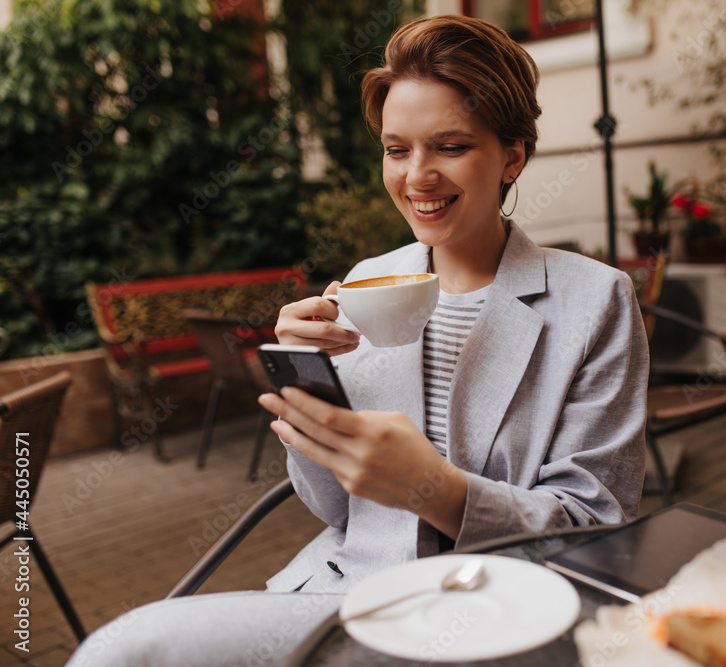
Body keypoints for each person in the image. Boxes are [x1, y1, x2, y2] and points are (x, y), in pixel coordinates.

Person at [67, 14, 648, 666]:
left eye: (450, 146)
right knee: (122, 649)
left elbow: (598, 528)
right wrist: (302, 390)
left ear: (513, 154)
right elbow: (333, 507)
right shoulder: (369, 284)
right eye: (398, 149)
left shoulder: (593, 300)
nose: (417, 176)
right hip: (354, 594)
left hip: (498, 614)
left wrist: (439, 490)